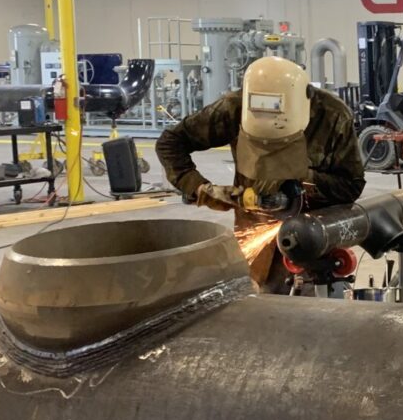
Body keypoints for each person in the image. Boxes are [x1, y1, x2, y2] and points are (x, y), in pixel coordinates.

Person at [156, 56, 365, 291]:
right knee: (257, 303)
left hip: (313, 234)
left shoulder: (332, 116)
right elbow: (171, 142)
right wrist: (200, 188)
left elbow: (351, 185)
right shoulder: (234, 107)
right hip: (256, 232)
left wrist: (301, 180)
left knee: (313, 307)